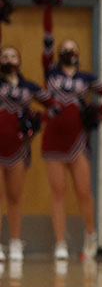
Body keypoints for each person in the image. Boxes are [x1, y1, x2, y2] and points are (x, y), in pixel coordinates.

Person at [40, 3, 102, 260]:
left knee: (84, 192)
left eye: (72, 49)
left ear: (79, 54)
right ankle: (60, 242)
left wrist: (99, 112)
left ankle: (90, 235)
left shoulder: (87, 79)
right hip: (53, 140)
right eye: (64, 49)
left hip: (78, 140)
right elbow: (47, 44)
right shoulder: (50, 73)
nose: (68, 51)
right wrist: (47, 11)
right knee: (58, 193)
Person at [0, 46, 56, 261]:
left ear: (19, 61)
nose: (8, 59)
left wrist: (36, 121)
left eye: (13, 55)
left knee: (14, 196)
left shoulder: (29, 87)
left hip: (18, 149)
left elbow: (54, 107)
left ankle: (15, 242)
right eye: (4, 56)